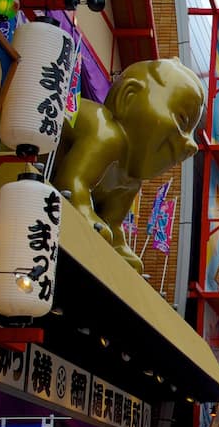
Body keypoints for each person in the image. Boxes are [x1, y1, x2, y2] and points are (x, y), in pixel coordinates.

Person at [52, 58, 205, 272]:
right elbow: (71, 183)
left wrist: (115, 238)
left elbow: (112, 223)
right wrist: (83, 207)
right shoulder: (104, 130)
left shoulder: (131, 178)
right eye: (182, 121)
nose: (191, 145)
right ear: (128, 97)